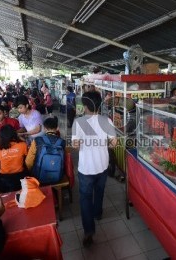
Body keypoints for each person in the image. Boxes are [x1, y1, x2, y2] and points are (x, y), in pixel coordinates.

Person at [72, 91, 117, 247]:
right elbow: (113, 144)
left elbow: (76, 147)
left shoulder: (78, 122)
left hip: (86, 168)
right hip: (102, 165)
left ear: (85, 106)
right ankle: (98, 213)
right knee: (99, 191)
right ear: (99, 104)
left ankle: (89, 231)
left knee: (85, 198)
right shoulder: (107, 120)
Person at [0, 125, 28, 193]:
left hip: (3, 181)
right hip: (19, 180)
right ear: (14, 134)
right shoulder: (23, 145)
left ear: (1, 136)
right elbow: (28, 158)